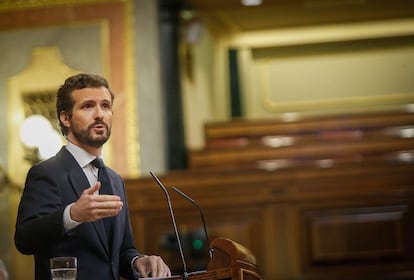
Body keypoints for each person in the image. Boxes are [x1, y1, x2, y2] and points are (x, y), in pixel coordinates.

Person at [15, 73, 171, 280]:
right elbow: (24, 239)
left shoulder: (115, 180)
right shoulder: (46, 173)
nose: (100, 114)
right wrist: (72, 215)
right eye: (88, 106)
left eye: (105, 106)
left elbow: (121, 252)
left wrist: (137, 261)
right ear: (65, 117)